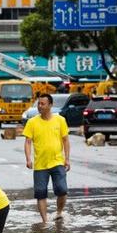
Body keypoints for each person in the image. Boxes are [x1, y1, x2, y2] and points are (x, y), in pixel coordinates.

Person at [23, 93, 70, 223]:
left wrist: (67, 158)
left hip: (57, 162)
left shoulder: (60, 120)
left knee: (62, 190)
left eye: (43, 104)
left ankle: (59, 212)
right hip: (40, 165)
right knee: (40, 193)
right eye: (38, 103)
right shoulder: (32, 122)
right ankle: (45, 221)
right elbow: (28, 142)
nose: (40, 106)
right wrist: (28, 159)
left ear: (50, 105)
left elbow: (65, 140)